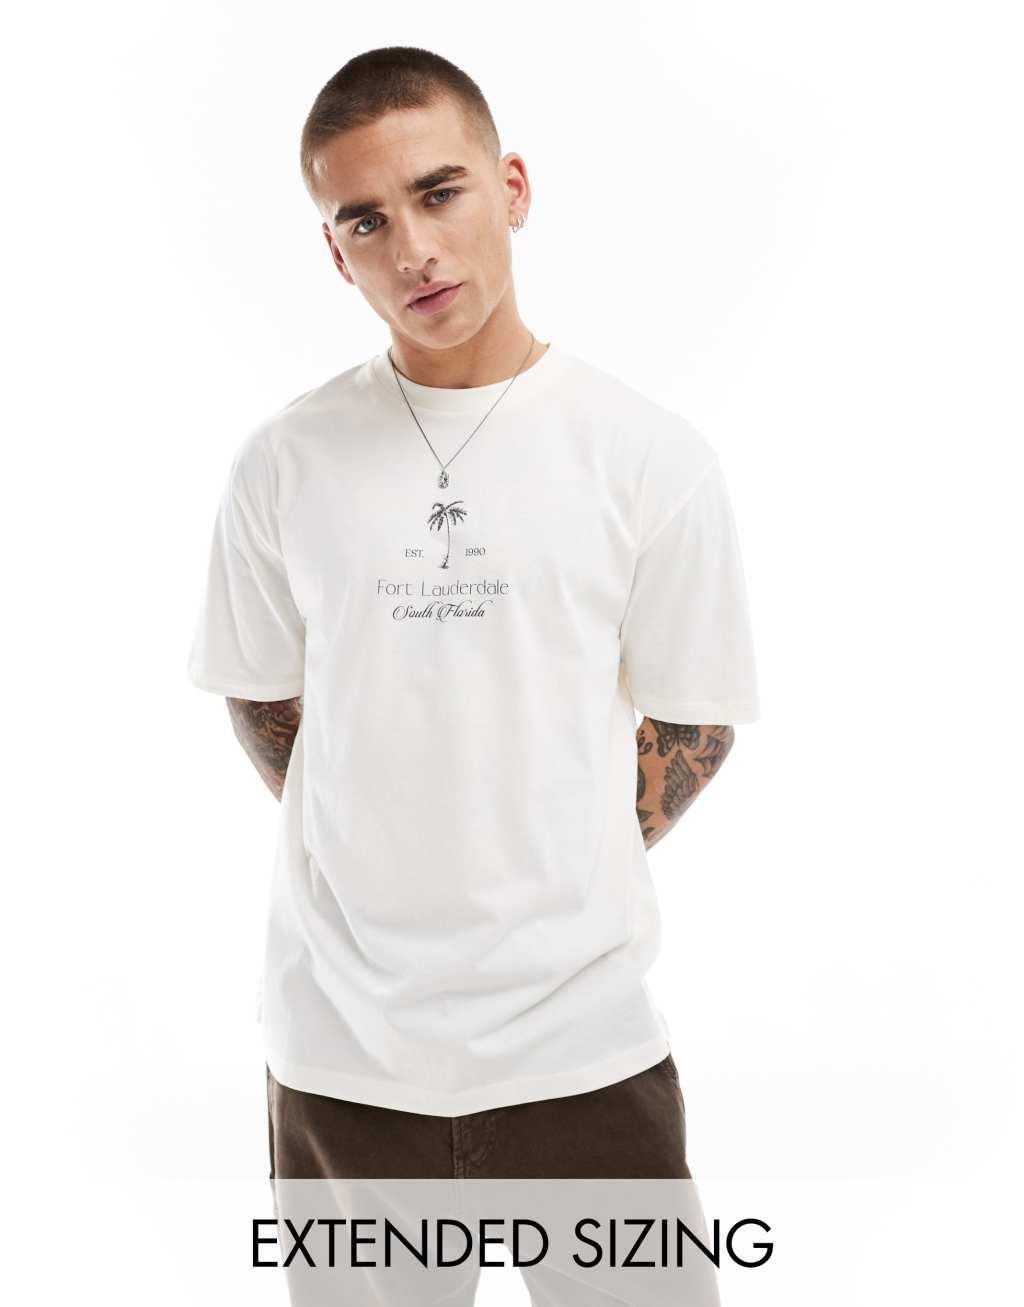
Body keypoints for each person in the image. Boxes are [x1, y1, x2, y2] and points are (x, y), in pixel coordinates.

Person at [186, 46, 760, 1189]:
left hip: (584, 1047)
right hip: (342, 1054)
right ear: (334, 252)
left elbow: (695, 719)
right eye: (365, 221)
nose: (412, 249)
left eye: (438, 192)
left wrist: (547, 850)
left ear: (511, 188)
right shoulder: (283, 462)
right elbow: (262, 693)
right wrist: (385, 841)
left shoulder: (648, 456)